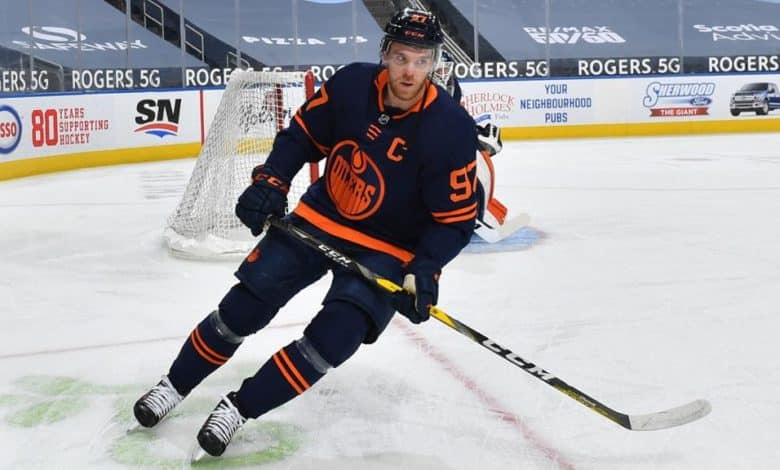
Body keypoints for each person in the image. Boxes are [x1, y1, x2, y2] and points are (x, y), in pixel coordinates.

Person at [133, 7, 478, 458]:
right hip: (322, 219)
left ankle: (238, 409)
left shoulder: (451, 128)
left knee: (335, 338)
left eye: (421, 60)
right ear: (384, 54)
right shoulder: (351, 85)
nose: (409, 71)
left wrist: (426, 267)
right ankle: (173, 385)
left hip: (388, 248)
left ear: (434, 64)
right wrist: (271, 180)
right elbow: (300, 136)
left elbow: (454, 221)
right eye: (400, 57)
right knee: (242, 308)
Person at [432, 51, 511, 241]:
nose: (444, 74)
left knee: (474, 157)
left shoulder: (453, 88)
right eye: (440, 70)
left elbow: (456, 119)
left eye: (446, 69)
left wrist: (479, 136)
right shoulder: (414, 89)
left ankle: (473, 208)